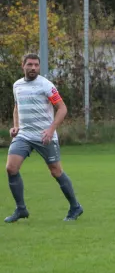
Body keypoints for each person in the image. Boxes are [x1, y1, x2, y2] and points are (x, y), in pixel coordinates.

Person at [5, 54, 83, 223]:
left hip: (44, 136)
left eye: (36, 65)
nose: (33, 68)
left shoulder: (46, 86)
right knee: (11, 168)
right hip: (24, 135)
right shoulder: (17, 85)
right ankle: (21, 209)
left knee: (56, 171)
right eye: (30, 64)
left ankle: (75, 207)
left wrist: (50, 129)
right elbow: (17, 107)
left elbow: (62, 108)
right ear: (23, 66)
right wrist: (16, 126)